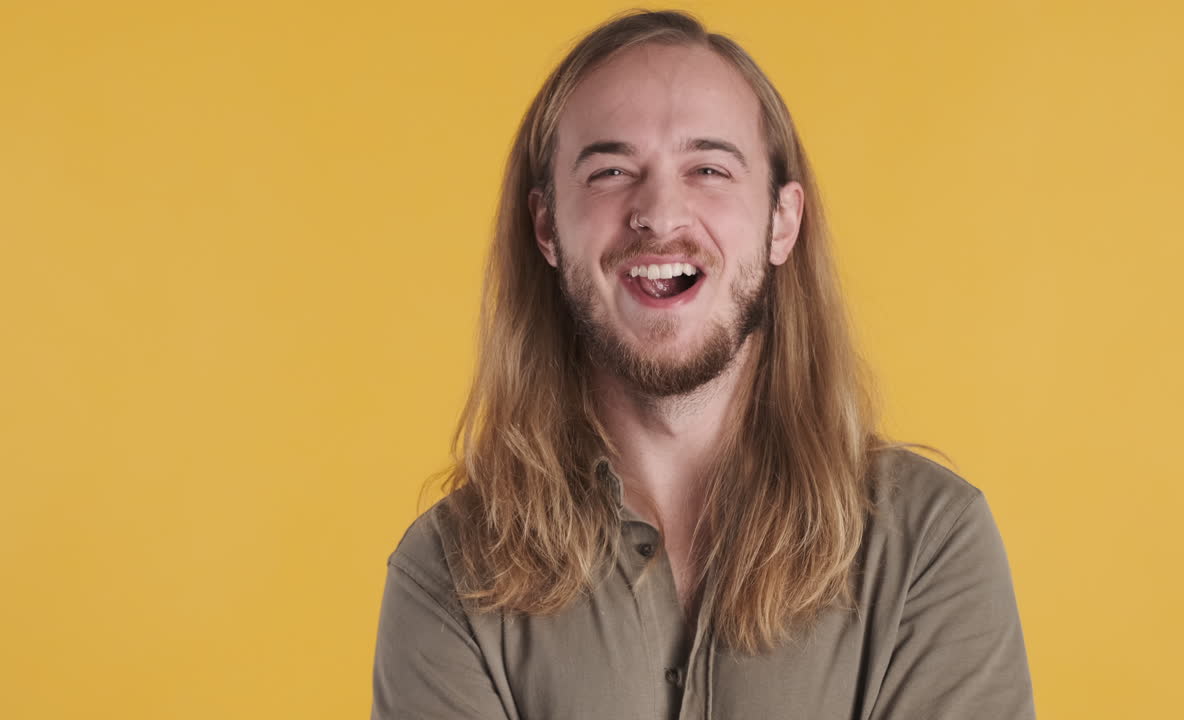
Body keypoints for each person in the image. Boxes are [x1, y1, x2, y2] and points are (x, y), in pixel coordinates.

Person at [371, 9, 1035, 719]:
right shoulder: (451, 571)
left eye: (709, 168)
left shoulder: (930, 542)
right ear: (546, 227)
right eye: (611, 170)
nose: (659, 212)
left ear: (782, 221)